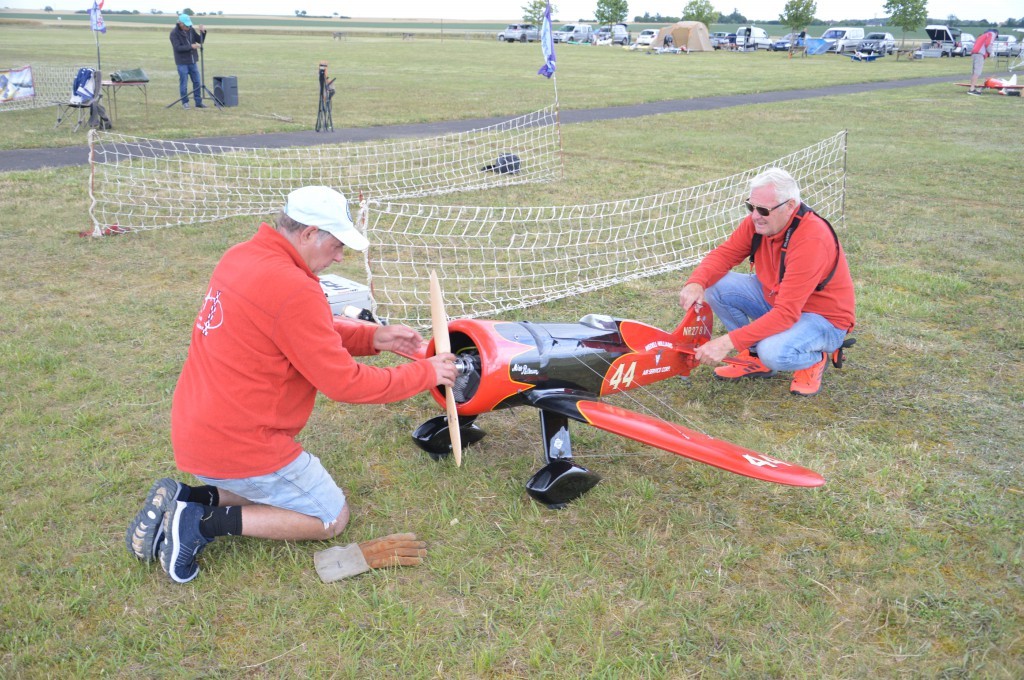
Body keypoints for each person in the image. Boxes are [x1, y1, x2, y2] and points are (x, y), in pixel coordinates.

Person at [126, 186, 458, 583]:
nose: (339, 257)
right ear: (308, 233)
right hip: (241, 443)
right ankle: (200, 522)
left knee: (275, 496)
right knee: (329, 516)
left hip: (197, 431)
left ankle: (190, 497)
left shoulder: (241, 256)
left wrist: (372, 337)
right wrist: (426, 373)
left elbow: (291, 328)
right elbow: (345, 384)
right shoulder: (294, 288)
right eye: (336, 245)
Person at [678, 168, 855, 397]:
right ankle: (754, 357)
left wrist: (726, 342)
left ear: (790, 206)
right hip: (779, 300)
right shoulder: (759, 223)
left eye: (763, 209)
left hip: (824, 318)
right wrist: (696, 282)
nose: (755, 215)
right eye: (750, 206)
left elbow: (786, 313)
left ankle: (813, 358)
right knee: (715, 284)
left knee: (772, 351)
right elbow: (725, 254)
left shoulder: (812, 239)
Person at [170, 13, 207, 109]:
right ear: (180, 23)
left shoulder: (191, 30)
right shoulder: (174, 33)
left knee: (197, 82)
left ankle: (198, 102)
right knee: (184, 83)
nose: (189, 26)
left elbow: (200, 40)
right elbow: (178, 48)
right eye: (186, 25)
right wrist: (191, 46)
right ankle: (185, 102)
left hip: (193, 61)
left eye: (189, 24)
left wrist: (202, 32)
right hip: (182, 62)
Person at [968, 29, 998, 95]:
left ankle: (972, 88)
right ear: (996, 33)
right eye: (996, 36)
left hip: (975, 53)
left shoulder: (982, 36)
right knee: (977, 72)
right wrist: (991, 53)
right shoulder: (991, 34)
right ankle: (971, 89)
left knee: (974, 72)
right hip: (980, 54)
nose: (995, 38)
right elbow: (988, 44)